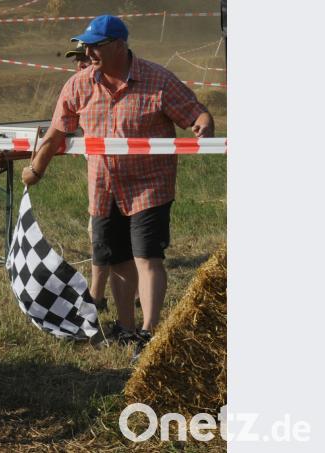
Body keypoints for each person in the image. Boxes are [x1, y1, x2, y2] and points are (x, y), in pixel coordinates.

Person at [22, 16, 214, 359]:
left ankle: (150, 332)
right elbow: (55, 134)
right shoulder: (79, 85)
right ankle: (125, 326)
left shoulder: (158, 79)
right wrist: (36, 169)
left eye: (96, 45)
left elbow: (197, 113)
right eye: (88, 45)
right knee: (120, 260)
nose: (89, 51)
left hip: (149, 186)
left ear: (119, 46)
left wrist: (203, 126)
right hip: (103, 186)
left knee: (147, 258)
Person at [65, 42, 110, 312]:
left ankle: (97, 297)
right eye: (76, 60)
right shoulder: (78, 87)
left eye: (85, 58)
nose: (80, 64)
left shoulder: (103, 87)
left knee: (101, 232)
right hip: (98, 170)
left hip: (118, 173)